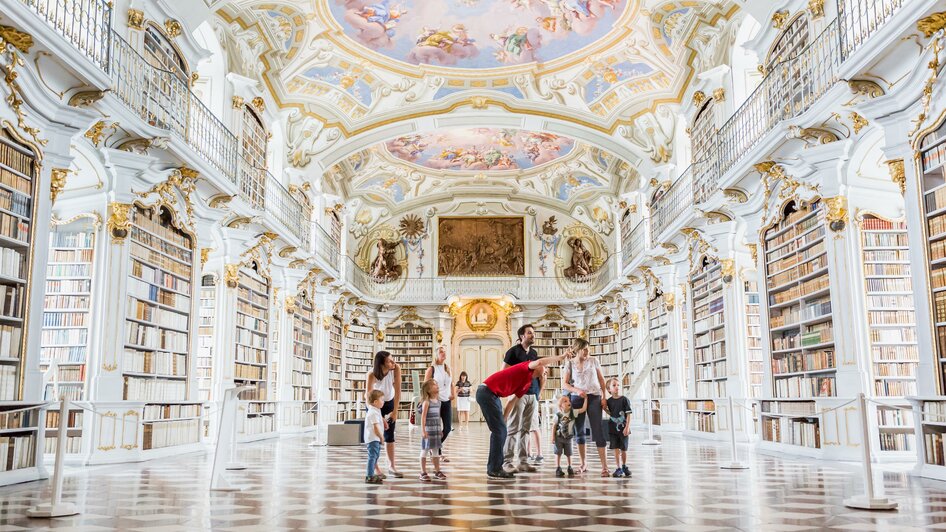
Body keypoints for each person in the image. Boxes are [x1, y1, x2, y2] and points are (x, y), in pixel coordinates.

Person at [476, 351, 571, 479]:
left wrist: (503, 420)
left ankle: (495, 467)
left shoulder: (526, 384)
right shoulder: (526, 367)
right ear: (538, 366)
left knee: (501, 430)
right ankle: (494, 468)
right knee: (499, 431)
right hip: (486, 392)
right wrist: (561, 357)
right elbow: (540, 362)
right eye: (544, 368)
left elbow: (511, 402)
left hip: (493, 395)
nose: (545, 370)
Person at [562, 338, 609, 476]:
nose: (587, 351)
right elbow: (565, 384)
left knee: (598, 430)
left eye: (588, 348)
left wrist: (604, 397)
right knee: (579, 431)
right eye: (584, 349)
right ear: (577, 349)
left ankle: (604, 466)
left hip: (594, 397)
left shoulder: (594, 361)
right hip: (577, 398)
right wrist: (577, 391)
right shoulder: (569, 364)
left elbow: (601, 380)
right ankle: (583, 464)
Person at [502, 324, 542, 473]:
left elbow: (536, 374)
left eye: (533, 333)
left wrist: (537, 393)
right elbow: (504, 373)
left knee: (526, 429)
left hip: (532, 394)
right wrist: (511, 392)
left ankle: (523, 461)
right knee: (513, 428)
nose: (533, 335)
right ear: (522, 336)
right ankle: (507, 461)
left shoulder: (533, 353)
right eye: (530, 333)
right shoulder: (512, 352)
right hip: (518, 394)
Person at [364, 350, 403, 478]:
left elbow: (398, 391)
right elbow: (368, 398)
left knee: (390, 435)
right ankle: (376, 469)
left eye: (393, 359)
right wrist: (379, 418)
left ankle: (392, 466)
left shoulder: (396, 368)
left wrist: (395, 412)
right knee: (376, 436)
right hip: (374, 405)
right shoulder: (372, 374)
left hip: (389, 402)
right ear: (381, 363)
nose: (393, 362)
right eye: (389, 361)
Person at [424, 346, 455, 462]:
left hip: (446, 401)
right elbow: (425, 386)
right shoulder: (431, 369)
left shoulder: (448, 368)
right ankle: (438, 452)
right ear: (436, 355)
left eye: (445, 352)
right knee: (436, 429)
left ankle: (434, 448)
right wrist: (428, 399)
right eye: (441, 352)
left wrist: (453, 394)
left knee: (447, 428)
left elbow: (452, 383)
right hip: (435, 402)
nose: (444, 354)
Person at [552, 393, 587, 477]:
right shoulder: (558, 415)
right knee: (558, 453)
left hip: (569, 438)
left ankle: (569, 467)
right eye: (565, 401)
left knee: (569, 453)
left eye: (569, 400)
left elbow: (583, 409)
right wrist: (552, 437)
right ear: (561, 406)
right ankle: (558, 468)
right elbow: (554, 426)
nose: (568, 402)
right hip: (559, 437)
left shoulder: (573, 412)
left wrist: (586, 399)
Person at [418, 379, 446, 482]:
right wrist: (423, 430)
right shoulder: (426, 402)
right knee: (424, 450)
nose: (437, 386)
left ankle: (437, 470)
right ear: (429, 390)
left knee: (436, 451)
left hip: (436, 430)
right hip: (428, 430)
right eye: (434, 385)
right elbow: (423, 417)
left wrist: (440, 428)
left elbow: (438, 416)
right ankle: (423, 472)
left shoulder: (438, 402)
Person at [605, 377, 632, 478]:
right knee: (616, 449)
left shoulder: (624, 400)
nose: (617, 387)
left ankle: (624, 466)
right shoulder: (609, 401)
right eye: (614, 385)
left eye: (618, 385)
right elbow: (611, 413)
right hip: (613, 429)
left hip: (623, 429)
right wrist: (605, 410)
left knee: (623, 449)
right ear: (609, 390)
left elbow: (628, 414)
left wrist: (627, 427)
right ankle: (618, 468)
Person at [364, 390, 386, 484]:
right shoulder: (373, 412)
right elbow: (376, 427)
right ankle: (369, 476)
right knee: (372, 457)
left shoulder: (375, 410)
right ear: (375, 402)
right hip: (373, 438)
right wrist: (381, 437)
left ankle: (371, 474)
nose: (383, 402)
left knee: (375, 456)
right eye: (382, 400)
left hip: (374, 438)